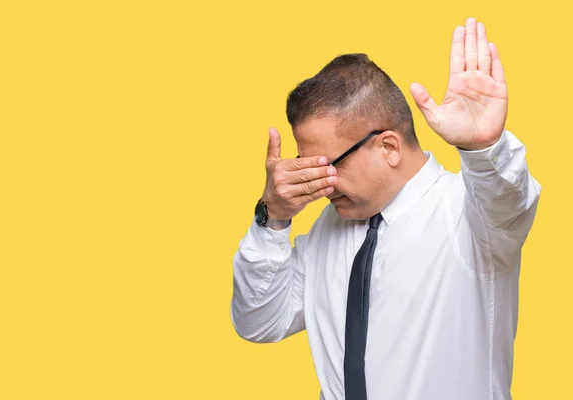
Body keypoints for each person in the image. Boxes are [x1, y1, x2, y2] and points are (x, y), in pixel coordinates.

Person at [230, 17, 541, 400]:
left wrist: (483, 148)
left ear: (389, 147)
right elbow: (259, 322)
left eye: (330, 164)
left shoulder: (471, 217)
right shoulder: (327, 230)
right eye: (307, 164)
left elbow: (506, 197)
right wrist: (272, 218)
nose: (319, 183)